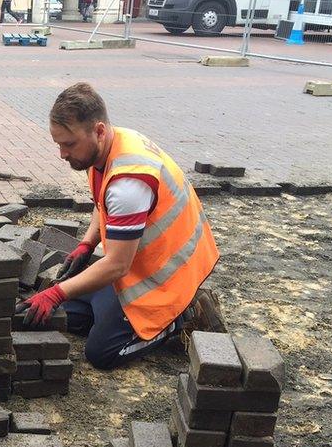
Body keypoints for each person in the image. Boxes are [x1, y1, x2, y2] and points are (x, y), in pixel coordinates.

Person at [17, 82, 224, 370]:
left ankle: (178, 319)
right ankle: (112, 316)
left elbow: (116, 265)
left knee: (101, 352)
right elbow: (102, 203)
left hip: (167, 276)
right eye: (58, 144)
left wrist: (55, 292)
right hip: (138, 265)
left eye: (69, 144)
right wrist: (87, 243)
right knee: (67, 315)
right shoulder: (108, 147)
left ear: (99, 131)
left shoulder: (129, 183)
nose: (62, 154)